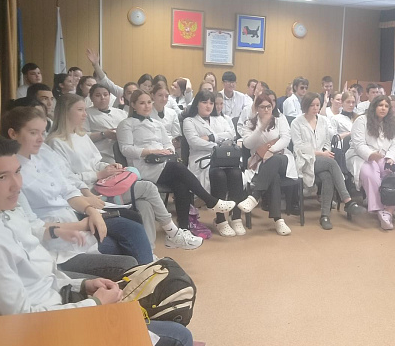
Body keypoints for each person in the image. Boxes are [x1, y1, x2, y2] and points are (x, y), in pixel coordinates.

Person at [0, 133, 196, 346]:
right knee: (179, 339)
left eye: (17, 172)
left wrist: (82, 285)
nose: (16, 185)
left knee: (157, 295)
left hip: (59, 307)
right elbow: (20, 321)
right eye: (2, 177)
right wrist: (94, 305)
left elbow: (42, 277)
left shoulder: (4, 212)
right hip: (48, 333)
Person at [1, 107, 153, 268]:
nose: (41, 139)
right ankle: (149, 276)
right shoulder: (12, 173)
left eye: (42, 132)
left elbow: (68, 189)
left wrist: (91, 210)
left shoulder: (44, 152)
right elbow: (31, 226)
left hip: (74, 215)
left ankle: (153, 275)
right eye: (33, 133)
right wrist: (82, 224)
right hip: (56, 236)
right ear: (13, 134)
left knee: (133, 230)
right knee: (118, 248)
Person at [48, 93, 198, 249]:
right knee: (148, 188)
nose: (85, 114)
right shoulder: (56, 143)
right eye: (80, 110)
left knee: (145, 204)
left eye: (85, 110)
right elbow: (67, 180)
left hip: (104, 183)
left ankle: (148, 251)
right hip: (88, 193)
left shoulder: (81, 136)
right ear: (66, 112)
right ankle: (173, 233)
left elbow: (96, 162)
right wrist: (98, 174)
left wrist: (109, 167)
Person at [117, 90, 235, 242]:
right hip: (143, 166)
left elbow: (168, 143)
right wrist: (151, 151)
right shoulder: (126, 124)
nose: (146, 106)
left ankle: (184, 229)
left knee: (181, 184)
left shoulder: (157, 123)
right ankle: (210, 201)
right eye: (142, 103)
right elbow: (126, 149)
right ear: (133, 105)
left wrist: (168, 150)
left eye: (149, 102)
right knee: (177, 168)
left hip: (162, 163)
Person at [183, 91, 254, 237]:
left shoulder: (219, 119)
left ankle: (236, 217)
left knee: (236, 173)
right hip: (202, 159)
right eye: (204, 102)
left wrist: (212, 137)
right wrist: (217, 147)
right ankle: (220, 219)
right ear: (197, 104)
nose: (208, 106)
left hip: (224, 158)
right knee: (219, 174)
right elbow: (195, 142)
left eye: (211, 103)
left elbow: (231, 135)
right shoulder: (189, 121)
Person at [291, 92, 365, 229]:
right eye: (312, 105)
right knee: (331, 163)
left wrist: (325, 151)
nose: (315, 108)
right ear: (305, 106)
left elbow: (327, 142)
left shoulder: (323, 121)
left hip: (322, 160)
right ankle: (347, 200)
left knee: (328, 177)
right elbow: (299, 147)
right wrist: (321, 153)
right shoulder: (297, 122)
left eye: (317, 105)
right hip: (305, 159)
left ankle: (325, 216)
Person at [347, 95, 395, 230]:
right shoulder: (362, 120)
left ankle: (389, 211)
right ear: (374, 106)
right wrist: (371, 155)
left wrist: (390, 158)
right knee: (371, 174)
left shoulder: (392, 123)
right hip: (362, 156)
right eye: (380, 105)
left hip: (386, 156)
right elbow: (358, 144)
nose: (383, 108)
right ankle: (379, 209)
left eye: (386, 106)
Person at [240, 93, 297, 235]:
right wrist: (260, 129)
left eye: (269, 107)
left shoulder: (279, 119)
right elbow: (247, 144)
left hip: (282, 158)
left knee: (275, 160)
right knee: (274, 177)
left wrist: (271, 151)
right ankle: (278, 220)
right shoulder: (250, 123)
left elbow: (286, 139)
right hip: (261, 163)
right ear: (256, 108)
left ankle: (255, 196)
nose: (266, 110)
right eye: (262, 107)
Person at [83, 84, 127, 164]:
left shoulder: (122, 113)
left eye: (105, 95)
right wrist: (104, 134)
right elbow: (82, 136)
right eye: (98, 95)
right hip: (102, 155)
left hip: (124, 152)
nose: (102, 98)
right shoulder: (86, 114)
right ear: (91, 98)